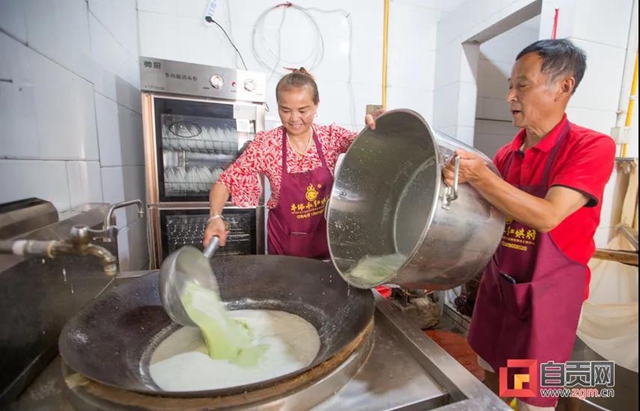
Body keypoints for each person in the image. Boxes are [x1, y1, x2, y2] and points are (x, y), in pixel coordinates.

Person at [443, 39, 616, 410]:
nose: (510, 97)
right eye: (511, 86)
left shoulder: (591, 147)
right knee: (493, 381)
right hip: (499, 291)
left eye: (522, 85)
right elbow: (482, 218)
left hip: (545, 300)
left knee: (534, 398)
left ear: (563, 87)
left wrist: (482, 177)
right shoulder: (507, 154)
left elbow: (547, 215)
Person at [204, 68, 380, 259]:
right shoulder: (267, 144)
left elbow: (368, 147)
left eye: (303, 110)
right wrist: (215, 217)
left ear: (316, 105)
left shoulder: (330, 137)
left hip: (325, 246)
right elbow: (226, 181)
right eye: (285, 110)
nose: (294, 119)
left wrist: (379, 129)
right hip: (283, 251)